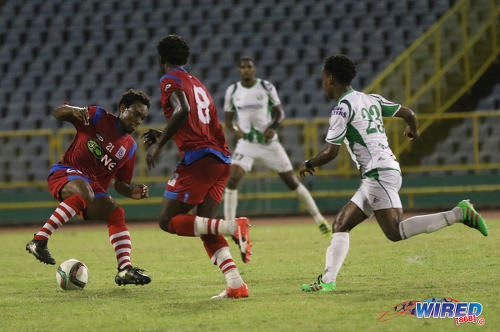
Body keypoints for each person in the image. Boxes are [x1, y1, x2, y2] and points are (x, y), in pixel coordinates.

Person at [299, 55, 488, 293]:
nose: (323, 83)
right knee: (340, 225)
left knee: (395, 231)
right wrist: (413, 130)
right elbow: (408, 113)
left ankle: (460, 213)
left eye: (323, 78)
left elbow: (331, 152)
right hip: (377, 173)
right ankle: (327, 281)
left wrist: (308, 163)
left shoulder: (341, 109)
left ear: (330, 79)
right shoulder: (371, 99)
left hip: (378, 173)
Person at [144, 34, 250, 299]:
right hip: (220, 160)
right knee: (203, 225)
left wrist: (161, 144)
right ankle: (236, 284)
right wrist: (168, 134)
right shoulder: (196, 81)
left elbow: (181, 110)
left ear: (161, 59)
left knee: (167, 221)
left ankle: (233, 227)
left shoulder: (169, 79)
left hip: (199, 160)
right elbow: (200, 119)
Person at [26, 89, 152, 286]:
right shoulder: (97, 116)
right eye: (135, 113)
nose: (138, 120)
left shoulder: (130, 147)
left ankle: (125, 269)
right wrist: (72, 110)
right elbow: (57, 113)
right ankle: (39, 241)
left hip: (92, 190)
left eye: (142, 117)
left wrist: (131, 191)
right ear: (122, 109)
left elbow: (120, 183)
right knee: (86, 192)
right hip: (66, 172)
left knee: (115, 212)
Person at [223, 57, 331, 237]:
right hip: (247, 143)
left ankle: (320, 220)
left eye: (249, 66)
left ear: (254, 69)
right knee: (232, 179)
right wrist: (235, 131)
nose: (246, 70)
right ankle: (228, 226)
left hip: (268, 144)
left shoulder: (266, 87)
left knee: (292, 182)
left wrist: (273, 128)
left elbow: (280, 113)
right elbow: (228, 120)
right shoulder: (232, 90)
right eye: (243, 67)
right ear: (239, 71)